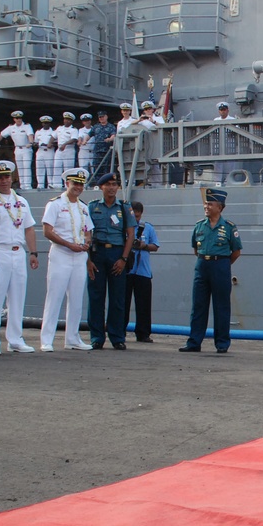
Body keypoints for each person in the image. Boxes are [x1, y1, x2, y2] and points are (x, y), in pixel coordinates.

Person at [0, 161, 39, 354]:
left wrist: (33, 253)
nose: (4, 181)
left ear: (12, 178)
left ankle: (15, 339)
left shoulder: (21, 201)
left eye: (7, 176)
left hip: (18, 252)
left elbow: (29, 228)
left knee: (18, 297)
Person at [179, 188, 242, 354]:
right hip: (202, 265)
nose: (206, 206)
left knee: (221, 306)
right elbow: (195, 248)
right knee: (198, 305)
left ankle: (222, 343)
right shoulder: (199, 226)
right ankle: (194, 342)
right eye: (206, 203)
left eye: (210, 204)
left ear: (219, 207)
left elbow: (236, 252)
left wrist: (222, 264)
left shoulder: (229, 227)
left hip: (220, 266)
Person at [40, 167, 94, 352]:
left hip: (79, 256)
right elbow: (47, 230)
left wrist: (87, 242)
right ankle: (47, 339)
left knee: (77, 298)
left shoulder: (84, 207)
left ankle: (72, 338)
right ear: (66, 184)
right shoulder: (54, 204)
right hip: (61, 254)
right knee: (54, 297)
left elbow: (88, 231)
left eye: (81, 184)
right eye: (75, 183)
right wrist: (68, 244)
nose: (78, 187)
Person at [86, 173, 136, 349]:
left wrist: (123, 258)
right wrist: (88, 260)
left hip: (117, 253)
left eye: (115, 184)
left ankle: (117, 337)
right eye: (108, 184)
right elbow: (86, 234)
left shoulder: (124, 208)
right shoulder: (92, 207)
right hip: (97, 253)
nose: (112, 188)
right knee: (96, 296)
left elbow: (131, 235)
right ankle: (97, 337)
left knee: (117, 298)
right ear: (101, 187)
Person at [124, 201, 159, 342]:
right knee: (123, 303)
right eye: (133, 216)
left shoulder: (148, 228)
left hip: (142, 271)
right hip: (126, 270)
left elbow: (155, 246)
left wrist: (143, 245)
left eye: (138, 217)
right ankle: (120, 331)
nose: (135, 220)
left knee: (144, 304)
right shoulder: (123, 227)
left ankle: (143, 333)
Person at [0, 111, 35, 189]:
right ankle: (22, 185)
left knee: (26, 166)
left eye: (20, 118)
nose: (19, 119)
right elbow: (2, 134)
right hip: (17, 149)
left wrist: (31, 142)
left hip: (26, 148)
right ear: (14, 119)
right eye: (17, 118)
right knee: (20, 167)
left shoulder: (27, 126)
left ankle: (27, 185)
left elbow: (30, 135)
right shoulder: (11, 128)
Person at [133, 100, 164, 185]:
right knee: (142, 165)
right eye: (146, 109)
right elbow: (130, 127)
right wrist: (139, 120)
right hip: (143, 145)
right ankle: (145, 183)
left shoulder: (158, 118)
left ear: (153, 109)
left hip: (155, 144)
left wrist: (153, 121)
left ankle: (157, 184)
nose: (148, 111)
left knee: (154, 165)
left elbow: (164, 127)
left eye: (149, 109)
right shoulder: (141, 120)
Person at [212, 101, 238, 185]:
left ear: (227, 110)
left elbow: (237, 131)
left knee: (230, 167)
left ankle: (228, 182)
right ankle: (217, 183)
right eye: (221, 110)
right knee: (218, 166)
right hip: (218, 147)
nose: (223, 111)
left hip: (230, 146)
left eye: (224, 109)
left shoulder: (233, 120)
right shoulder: (216, 120)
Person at [89, 110, 117, 181]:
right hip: (97, 151)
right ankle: (98, 183)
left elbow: (113, 135)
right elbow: (89, 134)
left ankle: (107, 182)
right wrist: (84, 140)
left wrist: (110, 139)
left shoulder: (111, 126)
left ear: (106, 117)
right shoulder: (96, 127)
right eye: (100, 117)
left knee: (107, 168)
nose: (101, 118)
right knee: (97, 167)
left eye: (103, 117)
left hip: (107, 150)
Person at [54, 112, 79, 189]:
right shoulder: (59, 128)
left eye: (68, 120)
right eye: (65, 119)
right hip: (59, 149)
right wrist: (49, 142)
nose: (66, 121)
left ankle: (67, 185)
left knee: (67, 168)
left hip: (68, 149)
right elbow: (53, 136)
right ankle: (56, 185)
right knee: (57, 166)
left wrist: (65, 144)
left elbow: (74, 139)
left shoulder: (73, 130)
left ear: (71, 121)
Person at [34, 115, 56, 189]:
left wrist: (50, 144)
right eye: (44, 123)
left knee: (50, 168)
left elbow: (57, 142)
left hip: (49, 151)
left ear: (49, 123)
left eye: (47, 123)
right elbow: (35, 142)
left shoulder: (53, 132)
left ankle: (50, 184)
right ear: (42, 123)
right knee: (39, 168)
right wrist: (36, 144)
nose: (45, 124)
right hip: (40, 151)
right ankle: (40, 185)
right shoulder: (38, 132)